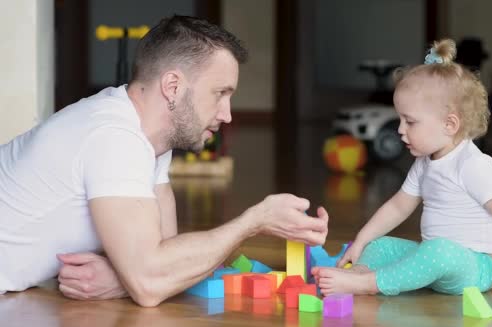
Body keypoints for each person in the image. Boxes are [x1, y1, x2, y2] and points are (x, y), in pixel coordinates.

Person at [0, 15, 328, 306]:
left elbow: (165, 254)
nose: (227, 114)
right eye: (220, 94)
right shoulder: (115, 138)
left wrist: (124, 277)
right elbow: (152, 282)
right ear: (172, 86)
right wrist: (252, 222)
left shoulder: (149, 137)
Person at [312, 39, 492, 297]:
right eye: (400, 120)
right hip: (434, 258)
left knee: (438, 251)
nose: (400, 130)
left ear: (449, 125)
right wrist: (361, 240)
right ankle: (358, 273)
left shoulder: (471, 165)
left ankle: (369, 284)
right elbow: (398, 206)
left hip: (475, 268)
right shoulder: (424, 163)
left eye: (410, 122)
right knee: (380, 245)